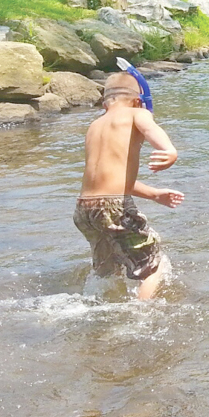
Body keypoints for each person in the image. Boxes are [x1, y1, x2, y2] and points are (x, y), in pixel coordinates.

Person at [74, 70, 182, 301]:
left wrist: (153, 194)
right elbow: (151, 129)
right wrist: (169, 149)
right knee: (154, 265)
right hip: (114, 206)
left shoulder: (94, 126)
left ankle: (100, 306)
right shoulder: (136, 113)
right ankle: (140, 316)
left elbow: (112, 181)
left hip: (84, 209)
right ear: (137, 100)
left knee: (107, 269)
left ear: (105, 103)